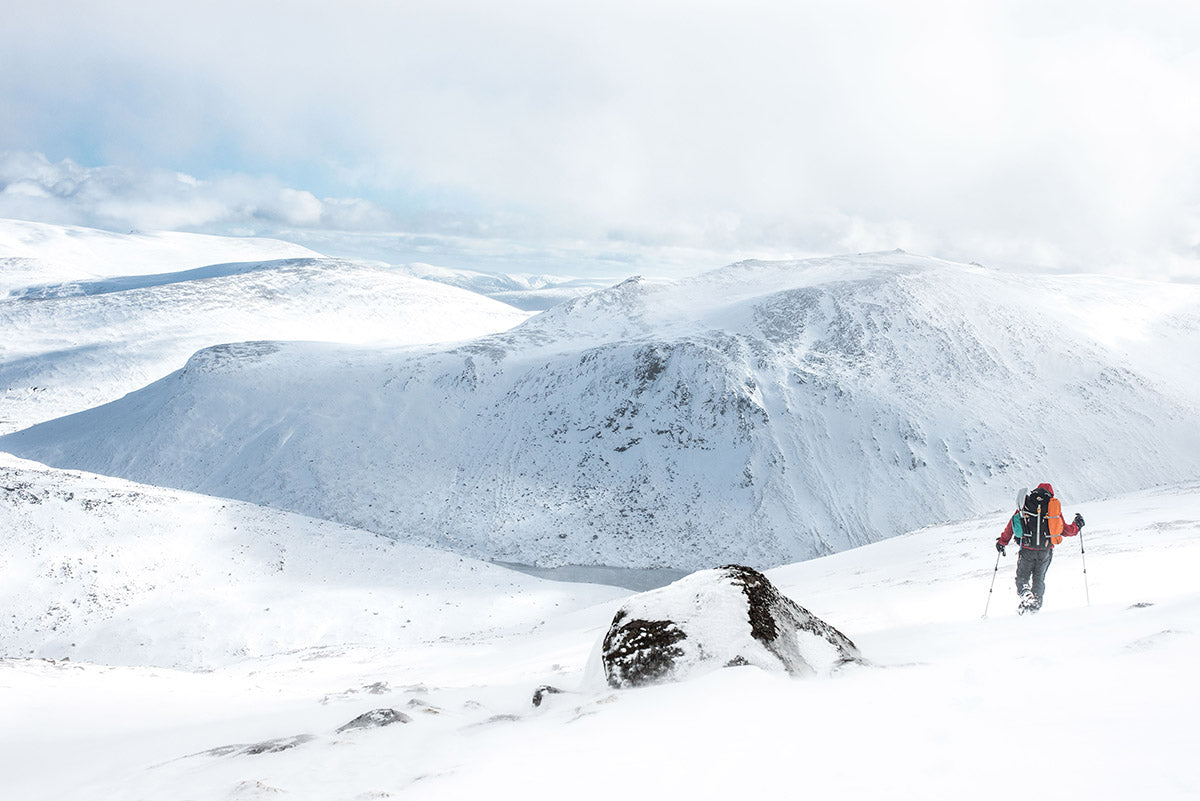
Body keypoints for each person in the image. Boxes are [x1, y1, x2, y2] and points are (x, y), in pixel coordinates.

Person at [995, 483, 1084, 613]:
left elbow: (1012, 524)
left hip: (1027, 549)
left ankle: (1026, 595)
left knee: (1022, 578)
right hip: (1045, 551)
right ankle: (1034, 607)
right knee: (1039, 579)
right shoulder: (1052, 507)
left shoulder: (1025, 503)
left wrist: (1002, 542)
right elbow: (1066, 530)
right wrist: (1077, 525)